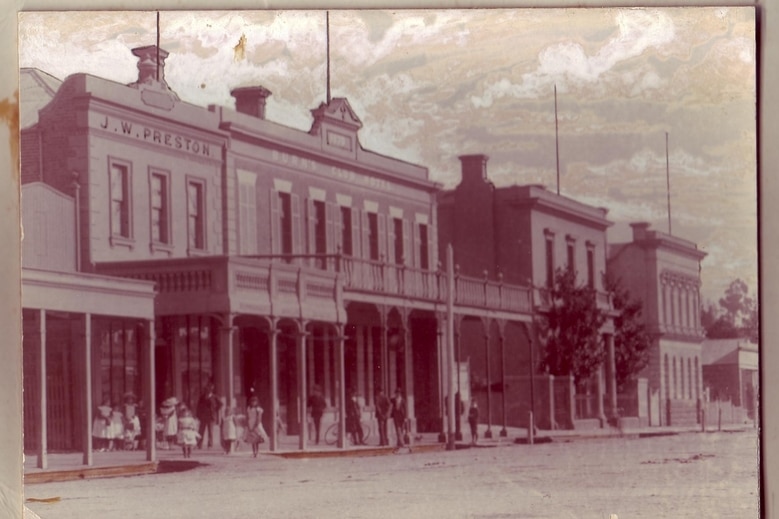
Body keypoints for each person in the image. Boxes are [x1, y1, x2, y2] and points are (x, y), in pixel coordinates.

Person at [196, 382, 222, 449]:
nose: (207, 391)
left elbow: (220, 404)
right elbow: (199, 406)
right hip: (203, 416)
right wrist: (198, 414)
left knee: (210, 431)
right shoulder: (202, 397)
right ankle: (199, 444)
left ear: (211, 390)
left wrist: (215, 409)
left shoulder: (214, 397)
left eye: (209, 390)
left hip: (211, 416)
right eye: (206, 390)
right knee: (201, 431)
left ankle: (210, 445)